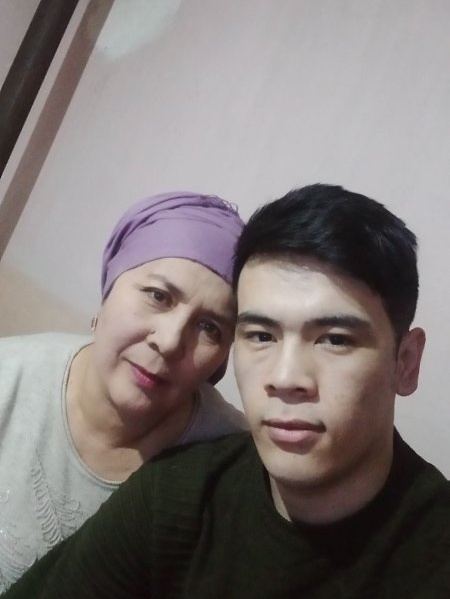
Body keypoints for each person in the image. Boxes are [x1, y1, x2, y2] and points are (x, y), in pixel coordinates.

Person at [3, 183, 450, 598]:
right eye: (261, 335)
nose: (285, 377)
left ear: (406, 363)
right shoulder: (177, 495)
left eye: (334, 339)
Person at [0, 191, 247, 591]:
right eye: (159, 296)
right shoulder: (8, 376)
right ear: (111, 284)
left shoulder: (232, 463)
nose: (170, 341)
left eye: (209, 327)